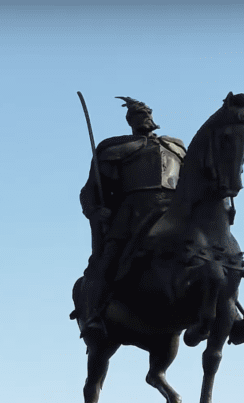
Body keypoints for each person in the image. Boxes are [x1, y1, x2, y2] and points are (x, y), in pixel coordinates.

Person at [75, 96, 187, 338]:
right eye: (139, 115)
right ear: (130, 121)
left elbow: (193, 182)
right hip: (132, 214)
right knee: (107, 260)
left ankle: (235, 314)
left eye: (147, 113)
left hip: (173, 213)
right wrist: (95, 211)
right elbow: (90, 191)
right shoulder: (113, 149)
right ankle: (95, 314)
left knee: (213, 252)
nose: (145, 117)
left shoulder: (176, 147)